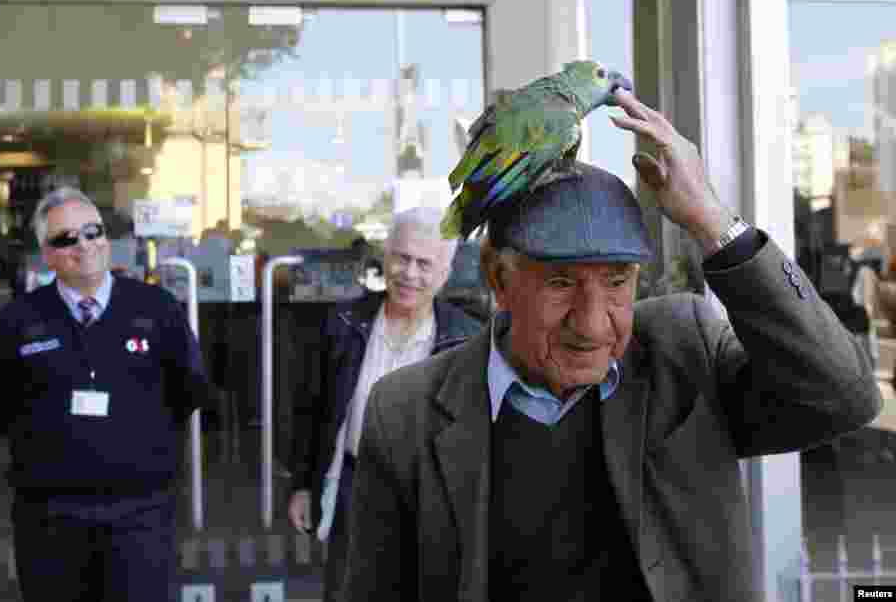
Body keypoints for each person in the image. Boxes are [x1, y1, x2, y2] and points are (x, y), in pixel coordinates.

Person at [341, 90, 883, 602]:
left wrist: (714, 223)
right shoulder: (404, 410)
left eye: (618, 280)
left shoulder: (683, 349)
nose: (594, 324)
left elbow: (842, 396)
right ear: (498, 279)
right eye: (560, 282)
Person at [0, 187, 212, 602]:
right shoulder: (18, 320)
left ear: (106, 238)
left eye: (92, 232)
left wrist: (137, 439)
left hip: (140, 516)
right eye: (66, 239)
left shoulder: (157, 309)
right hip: (49, 520)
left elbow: (188, 391)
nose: (83, 246)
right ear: (46, 254)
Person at [287, 206, 483, 602]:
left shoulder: (468, 341)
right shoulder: (343, 323)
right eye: (402, 258)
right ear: (386, 257)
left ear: (444, 273)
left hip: (430, 493)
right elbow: (311, 409)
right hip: (354, 486)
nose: (410, 273)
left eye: (424, 264)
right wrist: (303, 485)